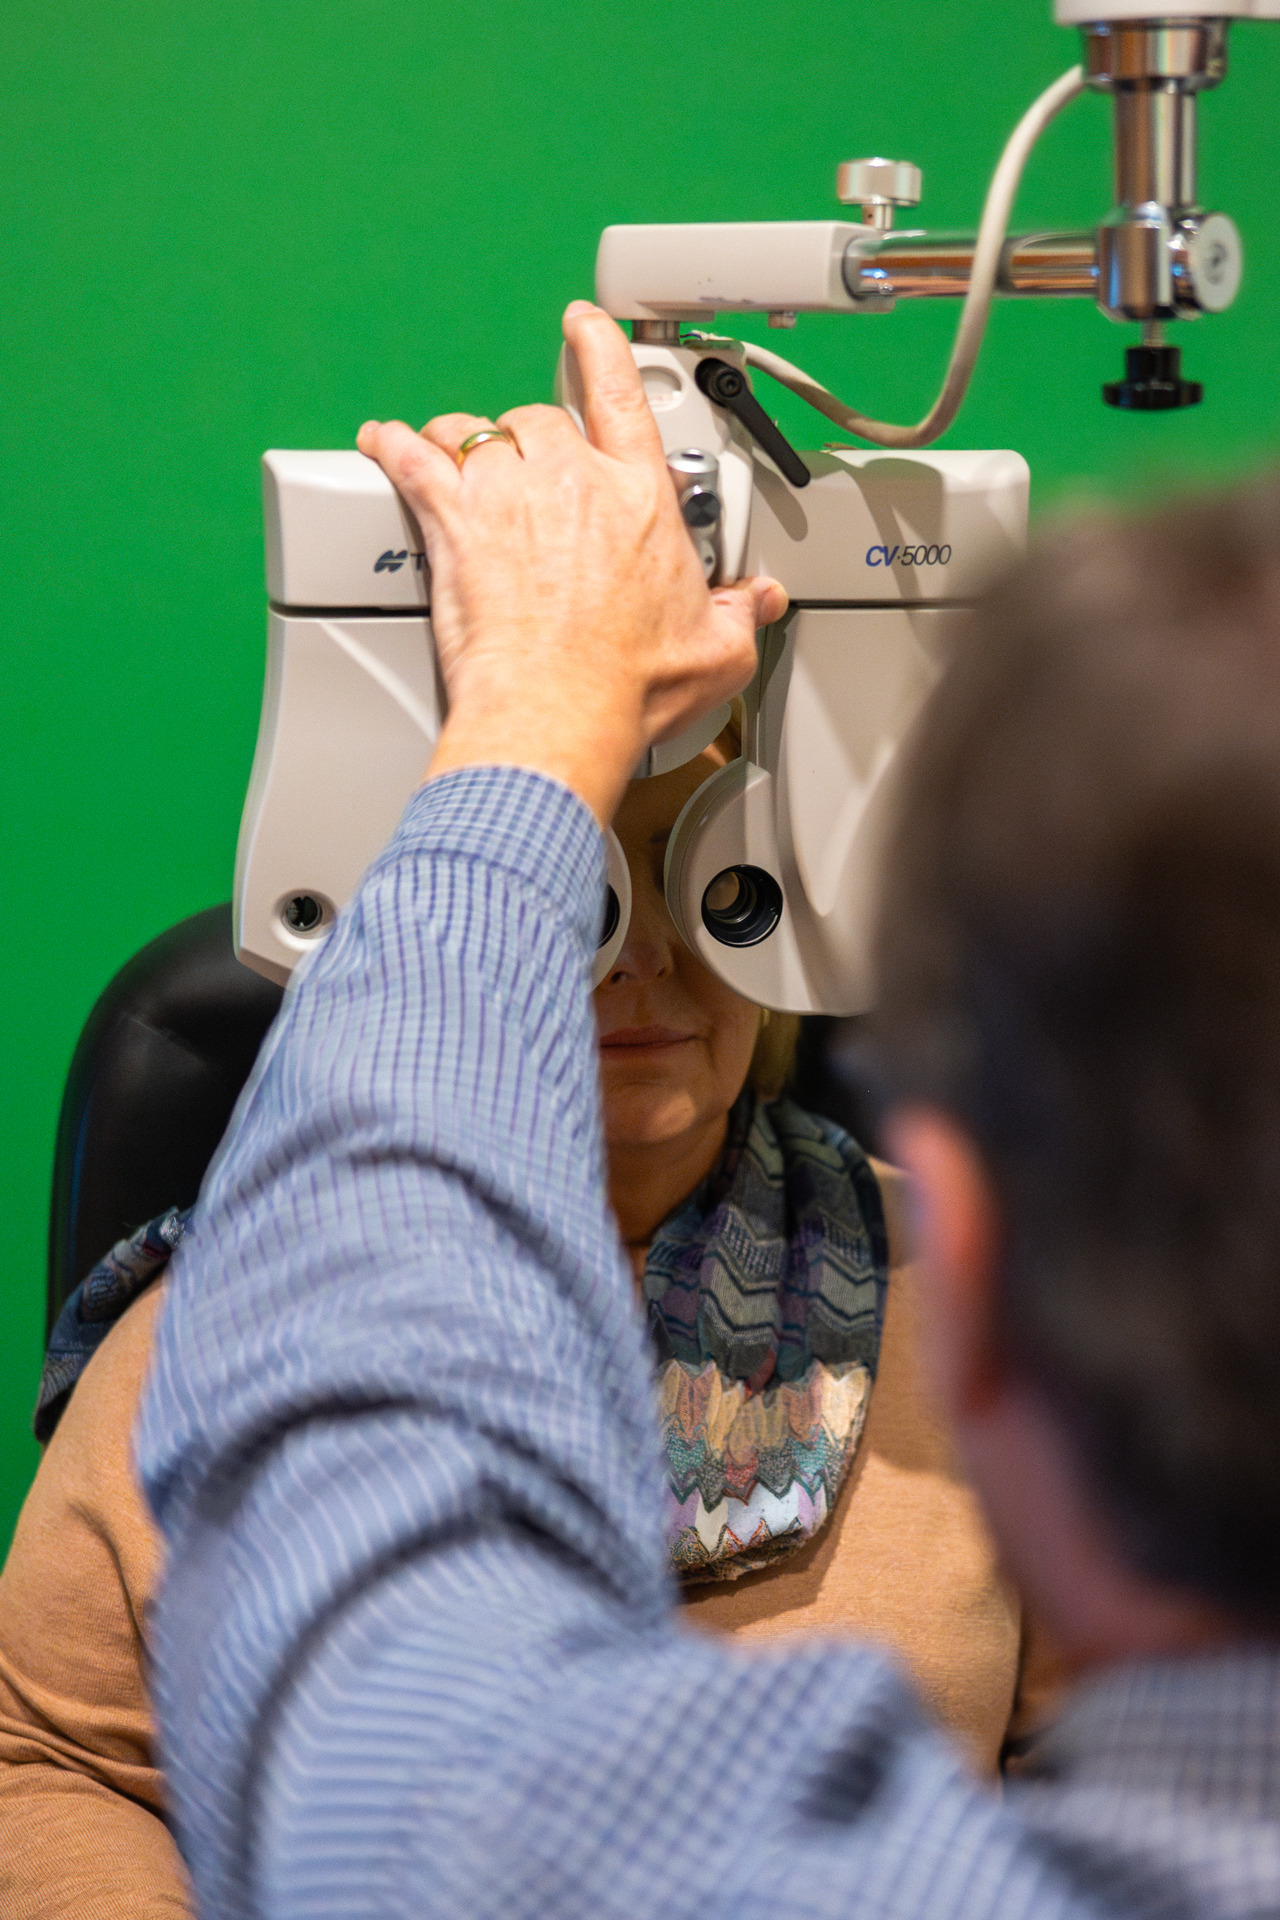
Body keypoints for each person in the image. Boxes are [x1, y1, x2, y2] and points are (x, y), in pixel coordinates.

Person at [135, 300, 1280, 1918]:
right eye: (597, 899)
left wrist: (524, 736)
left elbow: (378, 1710)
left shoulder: (270, 1309)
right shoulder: (173, 1317)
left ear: (985, 1281)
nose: (648, 968)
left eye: (719, 896)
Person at [0, 735, 1031, 1916]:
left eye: (710, 882)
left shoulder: (996, 1299)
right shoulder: (234, 1322)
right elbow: (54, 1764)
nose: (641, 954)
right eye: (571, 892)